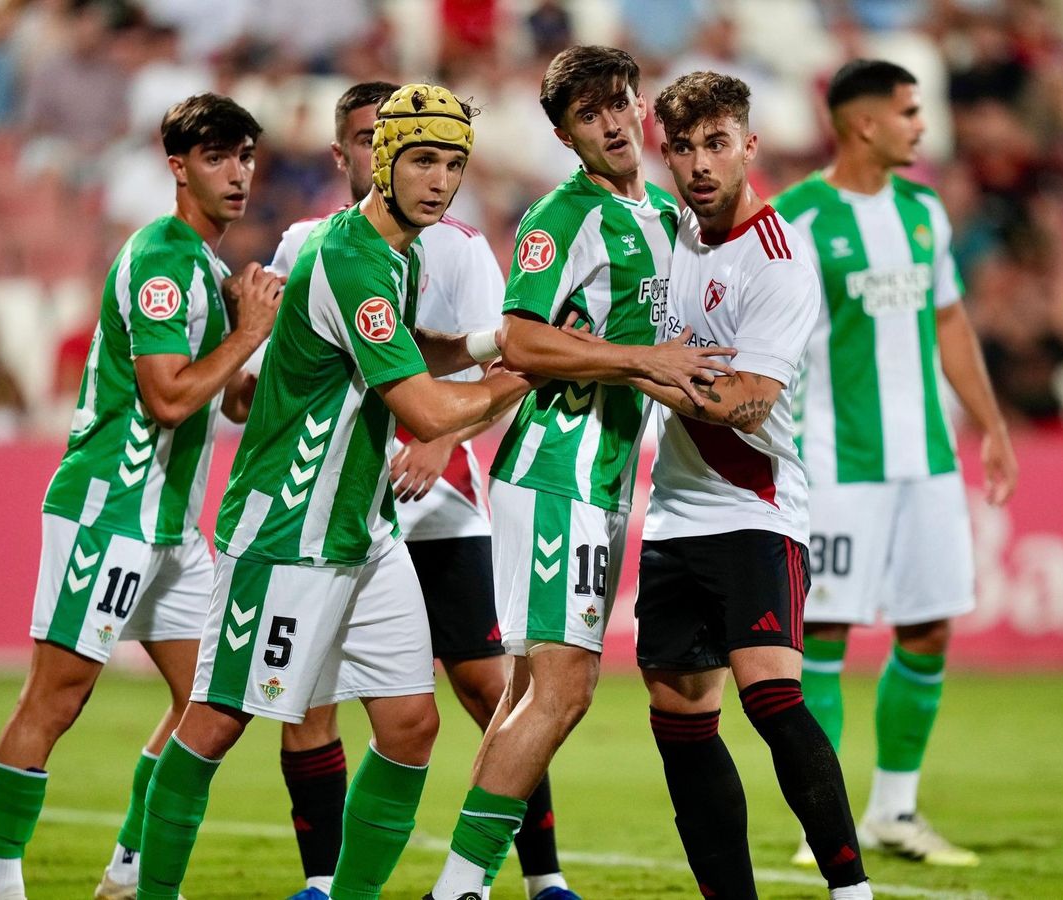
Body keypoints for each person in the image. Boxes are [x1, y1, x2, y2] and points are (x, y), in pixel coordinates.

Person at [134, 83, 544, 900]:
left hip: (364, 530)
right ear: (384, 159)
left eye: (454, 164)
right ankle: (150, 890)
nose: (439, 180)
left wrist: (488, 342)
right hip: (287, 531)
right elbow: (423, 408)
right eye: (423, 159)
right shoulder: (348, 256)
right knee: (215, 721)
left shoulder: (398, 250)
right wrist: (524, 370)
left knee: (411, 727)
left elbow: (412, 344)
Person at [425, 46, 736, 900]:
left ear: (641, 107)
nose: (610, 122)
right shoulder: (563, 218)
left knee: (528, 693)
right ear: (566, 135)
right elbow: (522, 338)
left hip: (598, 481)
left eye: (618, 103)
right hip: (554, 469)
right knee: (564, 693)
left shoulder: (663, 217)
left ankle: (464, 884)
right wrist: (646, 359)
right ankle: (457, 887)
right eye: (587, 113)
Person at [263, 81, 578, 900]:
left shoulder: (459, 249)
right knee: (308, 705)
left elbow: (472, 360)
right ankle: (324, 881)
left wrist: (439, 443)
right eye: (382, 144)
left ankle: (543, 875)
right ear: (352, 155)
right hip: (335, 503)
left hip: (437, 505)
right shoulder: (310, 245)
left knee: (485, 690)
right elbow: (280, 372)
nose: (426, 173)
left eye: (447, 160)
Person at [0, 92, 282, 900]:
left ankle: (129, 872)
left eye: (246, 156)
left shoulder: (211, 272)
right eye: (217, 157)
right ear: (178, 169)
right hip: (110, 511)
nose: (237, 173)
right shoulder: (159, 257)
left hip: (174, 528)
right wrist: (245, 337)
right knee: (57, 697)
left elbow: (225, 399)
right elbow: (168, 398)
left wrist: (286, 368)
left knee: (213, 703)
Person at [617, 70, 872, 900]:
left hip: (755, 509)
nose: (698, 163)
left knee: (771, 695)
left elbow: (747, 401)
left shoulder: (779, 257)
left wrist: (630, 366)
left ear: (749, 146)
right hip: (672, 521)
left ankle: (851, 888)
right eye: (682, 146)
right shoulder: (667, 237)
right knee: (682, 719)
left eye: (715, 143)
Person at [772, 59, 1018, 868]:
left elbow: (949, 323)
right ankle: (825, 824)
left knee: (929, 627)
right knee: (826, 630)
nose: (922, 124)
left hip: (929, 463)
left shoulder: (923, 210)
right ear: (862, 123)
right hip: (840, 463)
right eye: (910, 112)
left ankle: (895, 809)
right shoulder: (797, 220)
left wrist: (990, 425)